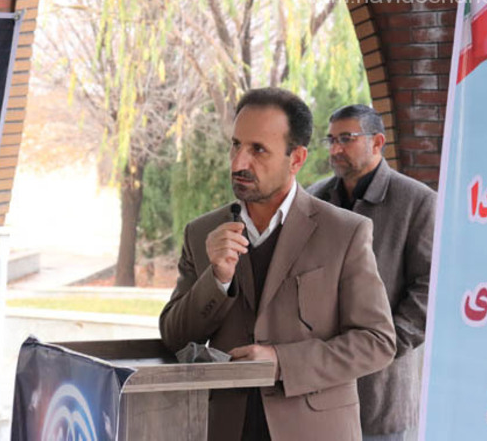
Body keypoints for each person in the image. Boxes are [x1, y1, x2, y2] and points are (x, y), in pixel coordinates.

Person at [159, 88, 396, 441]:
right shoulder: (202, 233)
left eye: (258, 150)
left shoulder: (345, 233)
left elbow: (377, 342)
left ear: (296, 159)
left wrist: (282, 362)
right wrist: (218, 278)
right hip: (225, 428)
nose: (238, 163)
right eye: (236, 145)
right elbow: (175, 337)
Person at [307, 104, 436, 441]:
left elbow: (429, 288)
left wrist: (384, 346)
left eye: (346, 139)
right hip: (316, 386)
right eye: (331, 139)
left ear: (377, 142)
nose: (335, 149)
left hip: (382, 390)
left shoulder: (417, 201)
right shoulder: (313, 199)